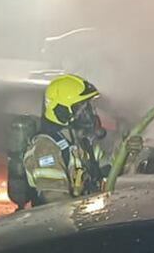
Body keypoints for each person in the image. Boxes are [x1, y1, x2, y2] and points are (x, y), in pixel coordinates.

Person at [23, 74, 114, 204]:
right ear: (61, 111)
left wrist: (129, 153)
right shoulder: (45, 147)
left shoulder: (81, 140)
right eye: (80, 108)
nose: (89, 113)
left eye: (88, 106)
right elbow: (55, 201)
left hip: (86, 215)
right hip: (57, 222)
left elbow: (109, 167)